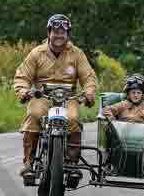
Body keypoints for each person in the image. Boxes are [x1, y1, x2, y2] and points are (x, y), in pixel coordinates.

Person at [14, 14, 97, 177]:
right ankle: (28, 163)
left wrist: (89, 92)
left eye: (63, 32)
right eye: (55, 32)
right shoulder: (37, 53)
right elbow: (22, 76)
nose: (59, 36)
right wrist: (24, 91)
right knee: (34, 115)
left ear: (68, 34)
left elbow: (88, 76)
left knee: (73, 119)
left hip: (68, 97)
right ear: (48, 33)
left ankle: (72, 164)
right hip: (42, 96)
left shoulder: (77, 54)